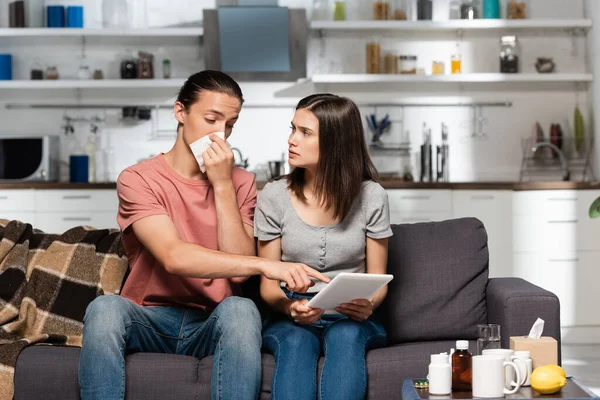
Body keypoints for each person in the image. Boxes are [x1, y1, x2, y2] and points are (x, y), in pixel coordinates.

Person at [78, 70, 329, 400]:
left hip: (215, 318)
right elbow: (173, 256)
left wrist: (223, 184)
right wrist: (267, 266)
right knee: (104, 310)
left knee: (242, 310)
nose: (220, 134)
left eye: (230, 125)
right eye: (211, 119)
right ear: (180, 112)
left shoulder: (239, 182)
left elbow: (239, 260)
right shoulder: (138, 178)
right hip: (149, 317)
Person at [255, 93, 393, 400]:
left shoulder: (372, 196)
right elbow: (268, 285)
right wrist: (291, 307)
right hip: (292, 308)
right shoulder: (274, 196)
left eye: (305, 133)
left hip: (351, 314)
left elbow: (378, 280)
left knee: (345, 336)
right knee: (295, 342)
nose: (292, 139)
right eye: (293, 129)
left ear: (335, 142)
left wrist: (369, 304)